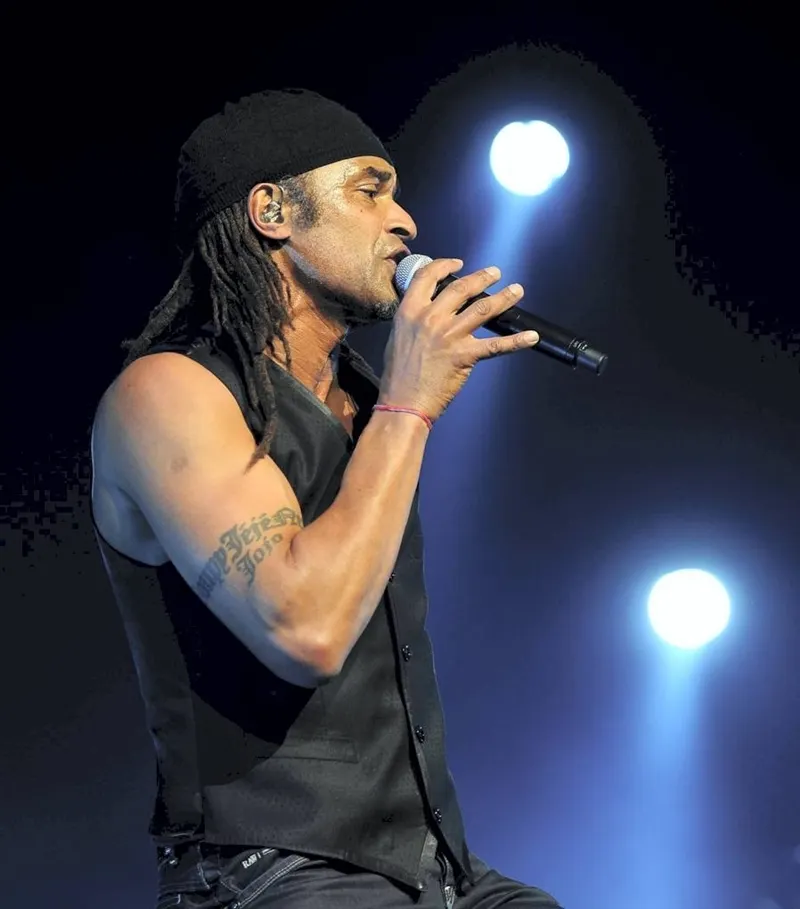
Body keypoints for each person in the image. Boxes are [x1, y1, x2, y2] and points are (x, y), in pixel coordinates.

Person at [90, 88, 560, 908]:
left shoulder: (362, 398)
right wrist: (408, 406)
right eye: (369, 190)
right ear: (272, 210)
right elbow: (304, 629)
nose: (405, 220)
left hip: (433, 867)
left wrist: (392, 406)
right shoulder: (169, 392)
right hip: (273, 869)